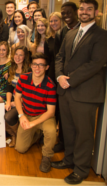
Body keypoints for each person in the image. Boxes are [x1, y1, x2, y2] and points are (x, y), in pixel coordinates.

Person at [52, 0, 107, 185]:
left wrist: (70, 80)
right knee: (68, 130)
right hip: (65, 90)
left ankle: (81, 169)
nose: (84, 12)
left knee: (84, 133)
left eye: (89, 9)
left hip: (85, 94)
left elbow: (95, 64)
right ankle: (69, 159)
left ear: (96, 12)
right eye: (82, 9)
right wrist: (60, 76)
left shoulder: (103, 36)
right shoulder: (71, 34)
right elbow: (60, 57)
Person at [15, 53, 57, 174]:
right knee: (20, 149)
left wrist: (33, 124)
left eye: (41, 65)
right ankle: (38, 135)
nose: (37, 68)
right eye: (35, 64)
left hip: (43, 117)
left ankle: (47, 156)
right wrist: (21, 115)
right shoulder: (23, 78)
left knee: (51, 131)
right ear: (30, 65)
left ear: (47, 67)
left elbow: (51, 112)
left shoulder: (50, 85)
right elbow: (17, 98)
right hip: (27, 114)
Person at [5, 46, 32, 147]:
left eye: (21, 55)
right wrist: (8, 102)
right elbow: (9, 87)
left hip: (24, 102)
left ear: (25, 57)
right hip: (12, 99)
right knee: (0, 111)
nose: (18, 57)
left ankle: (18, 136)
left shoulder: (29, 71)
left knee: (8, 116)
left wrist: (17, 103)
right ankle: (13, 136)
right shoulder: (11, 68)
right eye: (16, 54)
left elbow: (29, 92)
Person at [47, 11, 65, 153]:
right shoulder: (50, 39)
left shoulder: (66, 35)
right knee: (55, 107)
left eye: (55, 21)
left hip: (63, 76)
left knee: (61, 109)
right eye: (51, 21)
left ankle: (61, 137)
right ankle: (56, 135)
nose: (53, 23)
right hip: (52, 75)